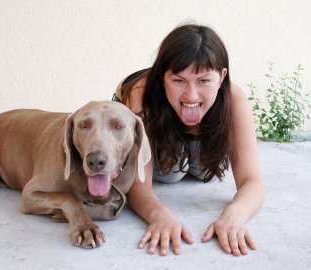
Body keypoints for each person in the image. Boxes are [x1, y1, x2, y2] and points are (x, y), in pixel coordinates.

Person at [112, 23, 265, 256]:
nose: (191, 95)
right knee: (170, 173)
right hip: (156, 119)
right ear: (163, 77)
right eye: (178, 80)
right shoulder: (142, 98)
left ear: (222, 76)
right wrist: (159, 216)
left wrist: (234, 215)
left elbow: (252, 181)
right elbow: (138, 186)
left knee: (206, 171)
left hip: (195, 137)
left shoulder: (234, 99)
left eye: (204, 81)